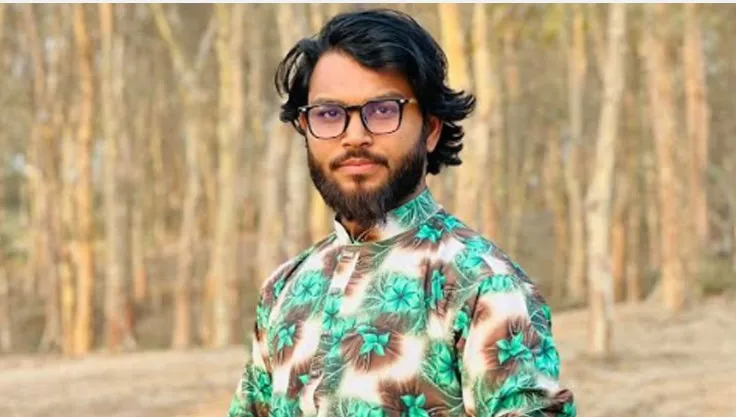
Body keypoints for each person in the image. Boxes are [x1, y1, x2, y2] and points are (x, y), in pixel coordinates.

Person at [227, 8, 575, 417]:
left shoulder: (482, 286)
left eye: (382, 110)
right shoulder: (284, 289)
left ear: (431, 129)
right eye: (329, 114)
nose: (354, 136)